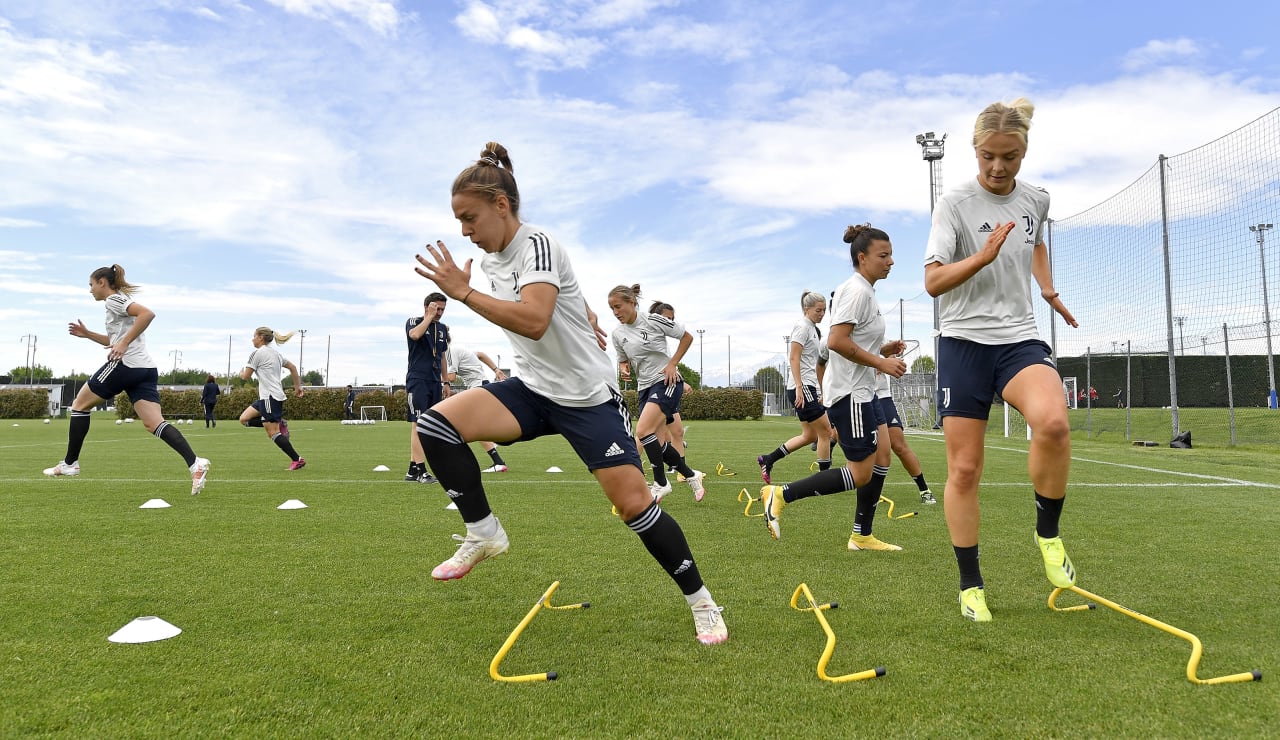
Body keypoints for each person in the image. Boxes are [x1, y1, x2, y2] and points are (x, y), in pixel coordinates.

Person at [412, 141, 726, 645]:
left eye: (469, 218)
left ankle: (703, 603)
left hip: (586, 398)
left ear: (501, 205)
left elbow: (535, 320)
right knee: (436, 426)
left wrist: (465, 294)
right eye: (458, 223)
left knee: (634, 507)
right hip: (534, 390)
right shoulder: (492, 260)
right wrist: (584, 316)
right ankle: (484, 533)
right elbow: (553, 306)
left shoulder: (539, 243)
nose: (464, 232)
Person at [923, 98, 1079, 623]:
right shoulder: (954, 204)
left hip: (1018, 339)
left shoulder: (1037, 199)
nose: (997, 167)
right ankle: (971, 585)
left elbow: (1033, 242)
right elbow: (932, 282)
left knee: (1054, 424)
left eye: (1009, 157)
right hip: (963, 343)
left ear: (1024, 152)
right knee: (965, 468)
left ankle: (1048, 535)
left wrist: (1048, 287)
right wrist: (982, 258)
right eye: (988, 155)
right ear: (974, 150)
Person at [760, 225, 907, 552]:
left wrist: (882, 351)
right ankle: (780, 495)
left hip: (865, 390)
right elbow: (836, 342)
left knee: (883, 456)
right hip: (851, 394)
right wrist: (881, 363)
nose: (891, 261)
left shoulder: (866, 291)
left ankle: (862, 535)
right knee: (861, 473)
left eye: (891, 254)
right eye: (884, 255)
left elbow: (852, 342)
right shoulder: (856, 291)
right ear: (862, 257)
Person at [43, 264, 210, 495]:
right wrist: (88, 334)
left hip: (126, 366)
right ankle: (195, 463)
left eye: (91, 285)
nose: (90, 290)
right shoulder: (114, 306)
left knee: (79, 406)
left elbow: (147, 314)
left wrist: (123, 343)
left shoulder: (113, 300)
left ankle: (70, 464)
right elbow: (112, 340)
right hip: (145, 369)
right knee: (154, 424)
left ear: (102, 282)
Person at [608, 285, 706, 503]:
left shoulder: (653, 320)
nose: (615, 312)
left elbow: (687, 337)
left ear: (632, 303)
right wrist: (624, 368)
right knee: (659, 444)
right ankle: (691, 475)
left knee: (642, 431)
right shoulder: (617, 334)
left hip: (666, 381)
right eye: (611, 308)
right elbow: (623, 359)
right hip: (644, 387)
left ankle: (661, 483)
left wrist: (673, 364)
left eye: (618, 306)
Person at [756, 291, 835, 482]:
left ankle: (769, 459)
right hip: (802, 387)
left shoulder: (813, 329)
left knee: (809, 435)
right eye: (818, 310)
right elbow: (794, 357)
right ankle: (824, 480)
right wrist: (800, 386)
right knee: (825, 432)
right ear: (806, 309)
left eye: (824, 310)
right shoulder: (802, 327)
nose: (822, 314)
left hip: (807, 387)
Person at [239, 327, 306, 470]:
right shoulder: (276, 354)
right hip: (268, 397)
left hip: (270, 397)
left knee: (273, 433)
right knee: (244, 419)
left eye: (254, 336)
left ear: (261, 337)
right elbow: (293, 367)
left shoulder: (257, 354)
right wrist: (297, 387)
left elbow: (245, 377)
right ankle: (279, 421)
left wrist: (241, 373)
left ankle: (297, 459)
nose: (252, 339)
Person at [405, 294, 451, 484]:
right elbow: (415, 335)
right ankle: (422, 471)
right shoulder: (414, 322)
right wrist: (428, 317)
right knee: (418, 424)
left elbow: (441, 356)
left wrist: (445, 381)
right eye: (436, 309)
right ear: (427, 306)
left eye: (442, 310)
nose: (439, 313)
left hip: (434, 381)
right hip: (418, 379)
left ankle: (411, 470)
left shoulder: (442, 329)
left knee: (429, 424)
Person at [875, 368, 937, 505]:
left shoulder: (880, 345)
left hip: (882, 397)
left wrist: (887, 360)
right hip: (858, 396)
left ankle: (924, 490)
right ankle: (872, 492)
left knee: (899, 446)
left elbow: (891, 359)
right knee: (870, 447)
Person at [445, 343, 510, 472]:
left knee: (472, 426)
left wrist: (433, 375)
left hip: (478, 386)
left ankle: (498, 461)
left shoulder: (449, 352)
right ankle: (493, 444)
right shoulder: (459, 349)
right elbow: (480, 354)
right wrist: (496, 369)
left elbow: (451, 378)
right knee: (472, 425)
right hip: (481, 385)